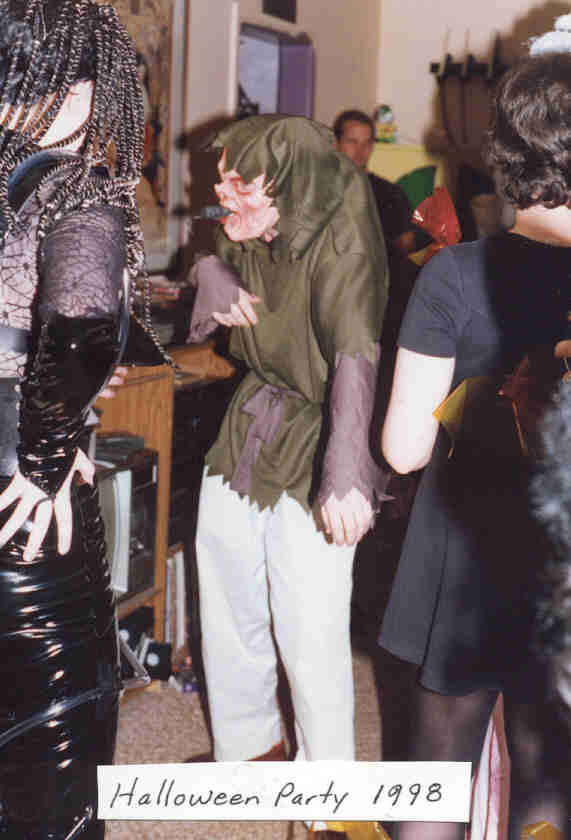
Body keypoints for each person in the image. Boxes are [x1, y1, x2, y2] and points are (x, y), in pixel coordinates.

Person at [378, 53, 571, 839]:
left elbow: (402, 450)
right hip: (558, 567)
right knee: (548, 781)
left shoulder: (453, 274)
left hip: (464, 560)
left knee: (432, 784)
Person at [187, 114, 389, 839]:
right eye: (222, 183)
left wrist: (346, 471)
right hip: (254, 415)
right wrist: (208, 270)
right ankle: (250, 752)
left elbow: (355, 351)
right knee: (224, 572)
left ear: (291, 186)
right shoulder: (249, 210)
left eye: (241, 186)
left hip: (325, 419)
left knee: (309, 616)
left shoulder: (343, 232)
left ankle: (330, 797)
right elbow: (211, 229)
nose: (223, 197)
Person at [0, 1, 147, 837]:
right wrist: (48, 452)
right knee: (52, 770)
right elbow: (81, 324)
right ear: (84, 83)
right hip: (21, 507)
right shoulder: (72, 185)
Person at [333, 109, 418, 258]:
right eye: (352, 142)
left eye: (367, 143)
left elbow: (406, 245)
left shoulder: (391, 194)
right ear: (335, 143)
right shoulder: (319, 188)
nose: (360, 150)